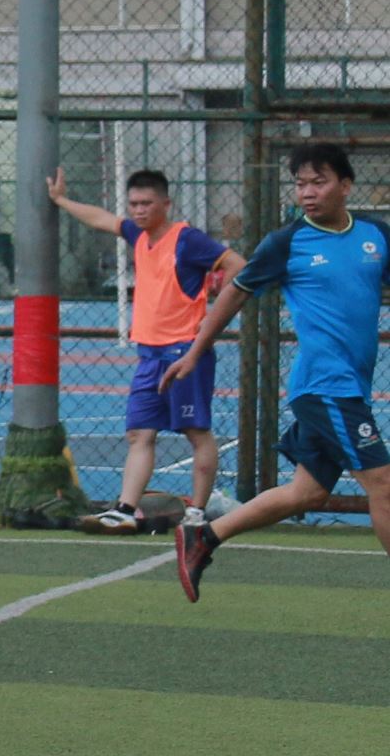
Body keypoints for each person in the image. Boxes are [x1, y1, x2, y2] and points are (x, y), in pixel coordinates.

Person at [166, 142, 390, 599]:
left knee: (306, 494)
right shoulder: (286, 243)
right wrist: (195, 351)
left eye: (318, 182)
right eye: (300, 184)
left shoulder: (376, 235)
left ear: (346, 186)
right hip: (325, 387)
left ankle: (205, 536)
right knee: (383, 483)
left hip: (351, 387)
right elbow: (235, 291)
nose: (307, 192)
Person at [46, 166, 240, 528]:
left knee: (196, 432)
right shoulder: (138, 235)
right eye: (134, 203)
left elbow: (237, 266)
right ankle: (125, 510)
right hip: (149, 354)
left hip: (185, 352)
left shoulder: (187, 240)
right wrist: (61, 200)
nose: (139, 210)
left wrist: (213, 313)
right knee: (139, 433)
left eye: (146, 203)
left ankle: (196, 512)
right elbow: (101, 219)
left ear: (165, 204)